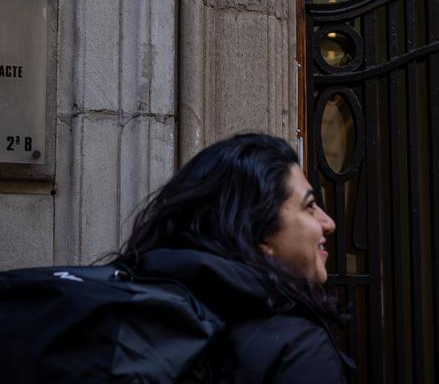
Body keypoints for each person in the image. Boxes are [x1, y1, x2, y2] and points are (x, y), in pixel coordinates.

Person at [115, 133, 353, 383]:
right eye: (310, 205)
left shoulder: (143, 322)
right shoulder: (299, 351)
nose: (329, 223)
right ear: (260, 233)